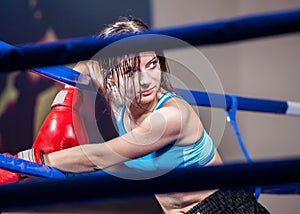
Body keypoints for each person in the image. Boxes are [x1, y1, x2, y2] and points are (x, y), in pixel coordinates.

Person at [1, 17, 270, 213]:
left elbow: (100, 156)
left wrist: (24, 163)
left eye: (152, 64)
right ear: (111, 80)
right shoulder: (118, 95)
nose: (146, 80)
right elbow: (85, 65)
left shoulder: (170, 116)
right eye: (131, 71)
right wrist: (65, 103)